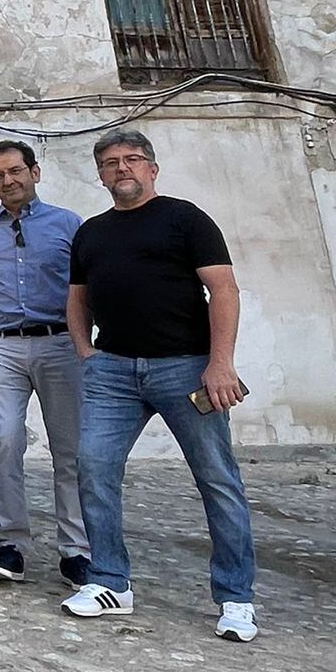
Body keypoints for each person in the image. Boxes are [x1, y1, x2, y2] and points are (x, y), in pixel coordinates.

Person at [62, 129, 258, 643]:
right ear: (101, 174)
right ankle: (110, 582)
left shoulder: (185, 218)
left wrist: (221, 363)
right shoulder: (91, 232)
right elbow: (77, 298)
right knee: (94, 469)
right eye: (110, 163)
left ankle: (236, 597)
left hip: (186, 368)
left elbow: (224, 289)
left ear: (152, 168)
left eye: (131, 160)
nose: (121, 168)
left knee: (216, 478)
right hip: (113, 372)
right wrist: (86, 353)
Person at [0, 140, 89, 588]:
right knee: (5, 441)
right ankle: (10, 544)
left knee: (69, 448)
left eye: (16, 171)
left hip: (58, 344)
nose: (9, 181)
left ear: (35, 172)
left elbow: (86, 286)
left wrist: (86, 343)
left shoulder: (68, 224)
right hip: (0, 346)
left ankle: (76, 550)